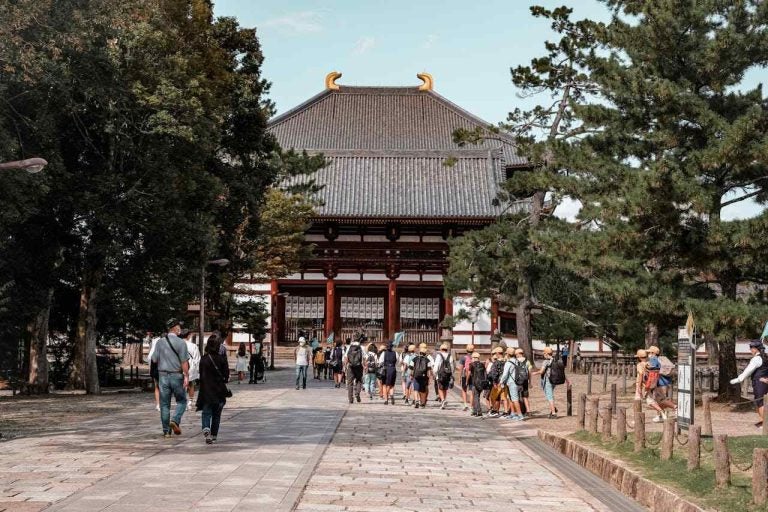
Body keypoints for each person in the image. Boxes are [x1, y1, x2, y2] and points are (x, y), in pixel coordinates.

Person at [152, 319, 190, 438]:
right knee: (182, 401)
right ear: (176, 329)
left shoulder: (159, 342)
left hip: (163, 375)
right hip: (176, 375)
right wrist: (186, 376)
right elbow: (184, 362)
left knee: (164, 404)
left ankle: (166, 431)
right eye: (179, 327)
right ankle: (175, 420)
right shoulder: (181, 343)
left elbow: (154, 359)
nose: (180, 329)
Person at [197, 334, 229, 444]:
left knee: (206, 412)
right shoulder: (222, 359)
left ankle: (206, 428)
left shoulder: (203, 359)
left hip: (206, 390)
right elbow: (226, 376)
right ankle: (214, 435)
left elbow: (200, 375)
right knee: (216, 414)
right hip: (219, 390)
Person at [730, 340, 768, 428]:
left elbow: (747, 371)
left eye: (751, 348)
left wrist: (738, 380)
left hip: (759, 383)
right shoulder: (765, 357)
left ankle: (766, 424)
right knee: (763, 402)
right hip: (765, 383)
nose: (750, 350)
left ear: (755, 349)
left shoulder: (756, 359)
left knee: (760, 403)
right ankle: (764, 422)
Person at [647, 345, 677, 422]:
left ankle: (675, 408)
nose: (648, 354)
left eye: (649, 352)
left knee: (661, 400)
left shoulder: (653, 359)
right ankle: (659, 415)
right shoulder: (660, 359)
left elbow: (653, 371)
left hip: (660, 383)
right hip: (666, 382)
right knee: (659, 400)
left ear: (653, 353)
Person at [634, 349, 665, 421]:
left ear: (639, 357)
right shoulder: (650, 363)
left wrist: (638, 387)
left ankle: (637, 419)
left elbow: (641, 375)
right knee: (650, 400)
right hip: (649, 385)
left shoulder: (640, 364)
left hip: (642, 385)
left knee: (638, 401)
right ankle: (661, 412)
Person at [531, 346, 561, 419]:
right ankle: (553, 409)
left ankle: (554, 413)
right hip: (554, 380)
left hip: (547, 381)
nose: (543, 354)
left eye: (544, 353)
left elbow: (542, 371)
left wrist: (535, 373)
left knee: (549, 397)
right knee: (549, 395)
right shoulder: (556, 360)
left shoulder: (546, 361)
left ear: (546, 354)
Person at [500, 347, 524, 421]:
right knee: (510, 398)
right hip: (517, 381)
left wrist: (501, 382)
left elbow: (505, 374)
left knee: (514, 399)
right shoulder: (517, 361)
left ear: (508, 354)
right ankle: (512, 413)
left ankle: (520, 415)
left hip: (511, 382)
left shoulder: (508, 362)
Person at [410, 343, 434, 408]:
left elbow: (411, 368)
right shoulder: (427, 360)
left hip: (416, 375)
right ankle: (423, 403)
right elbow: (429, 370)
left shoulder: (415, 358)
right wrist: (429, 378)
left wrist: (411, 375)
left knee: (416, 389)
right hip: (424, 377)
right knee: (423, 390)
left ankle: (416, 400)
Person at [182, 330, 201, 408]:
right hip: (191, 367)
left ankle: (182, 401)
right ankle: (190, 401)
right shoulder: (193, 346)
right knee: (191, 384)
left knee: (182, 385)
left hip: (180, 366)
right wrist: (197, 369)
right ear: (189, 335)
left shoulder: (178, 345)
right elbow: (197, 358)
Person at [433, 342, 454, 410]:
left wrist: (435, 373)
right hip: (447, 374)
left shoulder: (439, 355)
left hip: (440, 374)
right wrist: (451, 374)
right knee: (445, 388)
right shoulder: (450, 356)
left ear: (441, 349)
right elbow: (452, 366)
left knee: (440, 388)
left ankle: (442, 400)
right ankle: (443, 403)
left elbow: (436, 365)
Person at [344, 336, 365, 404]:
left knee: (350, 383)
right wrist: (364, 366)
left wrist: (345, 366)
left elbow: (346, 358)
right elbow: (364, 358)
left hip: (350, 366)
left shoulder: (349, 347)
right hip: (359, 366)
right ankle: (357, 393)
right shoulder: (362, 348)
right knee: (359, 380)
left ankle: (350, 398)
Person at [514, 348, 533, 417]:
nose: (515, 355)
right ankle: (528, 411)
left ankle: (520, 411)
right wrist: (530, 382)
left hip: (517, 381)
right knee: (525, 396)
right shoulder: (527, 361)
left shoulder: (515, 361)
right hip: (525, 381)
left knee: (517, 396)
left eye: (516, 354)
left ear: (519, 354)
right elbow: (530, 372)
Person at [378, 341, 398, 405]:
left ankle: (386, 399)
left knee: (384, 385)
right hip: (393, 369)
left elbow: (380, 362)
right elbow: (397, 361)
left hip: (386, 369)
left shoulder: (384, 353)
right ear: (392, 347)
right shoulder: (395, 353)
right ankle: (391, 395)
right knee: (391, 385)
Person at [146, 332, 161, 412]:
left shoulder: (152, 351)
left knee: (157, 387)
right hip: (163, 370)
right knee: (164, 387)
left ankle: (158, 404)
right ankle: (162, 403)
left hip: (155, 370)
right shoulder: (163, 345)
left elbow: (150, 359)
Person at [469, 352, 486, 417]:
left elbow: (469, 374)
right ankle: (475, 411)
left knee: (475, 397)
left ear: (473, 358)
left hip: (475, 383)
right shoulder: (482, 364)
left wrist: (467, 381)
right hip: (481, 383)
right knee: (477, 396)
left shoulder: (471, 364)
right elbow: (485, 373)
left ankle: (479, 411)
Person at [458, 344, 475, 411]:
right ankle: (471, 406)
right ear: (473, 350)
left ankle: (465, 404)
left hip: (464, 375)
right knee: (471, 391)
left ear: (466, 350)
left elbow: (461, 368)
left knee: (464, 389)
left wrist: (459, 377)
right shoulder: (475, 357)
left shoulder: (463, 358)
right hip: (473, 375)